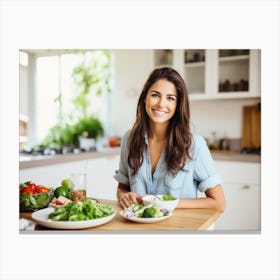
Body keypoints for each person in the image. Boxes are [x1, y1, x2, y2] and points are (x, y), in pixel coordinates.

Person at [114, 67, 225, 213]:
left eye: (170, 98)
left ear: (178, 104)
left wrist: (164, 203)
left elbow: (219, 203)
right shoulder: (129, 139)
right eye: (155, 95)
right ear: (144, 98)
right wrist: (125, 196)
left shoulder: (194, 145)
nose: (161, 104)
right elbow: (122, 188)